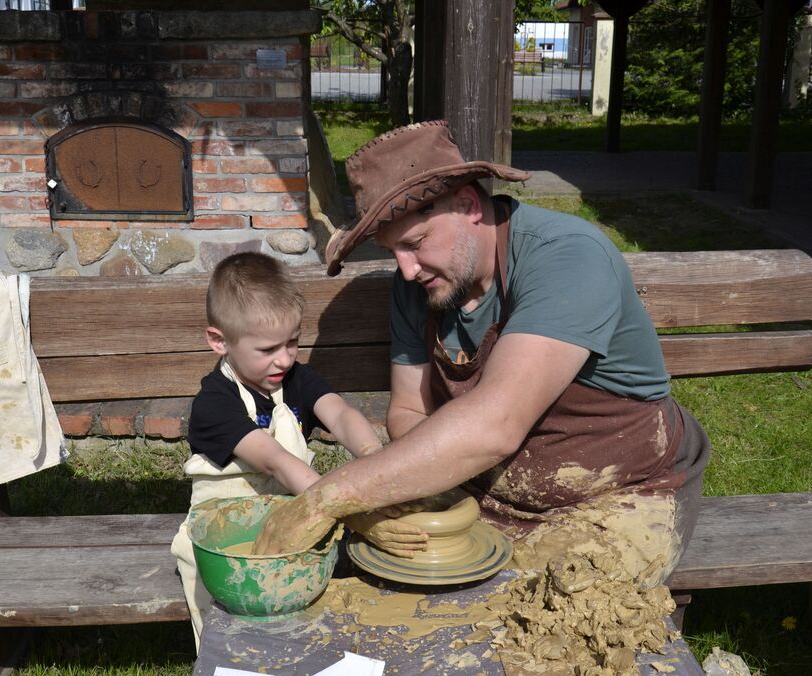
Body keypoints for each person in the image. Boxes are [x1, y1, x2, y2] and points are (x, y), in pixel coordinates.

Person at [254, 120, 710, 589]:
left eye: (414, 244)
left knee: (551, 620)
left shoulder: (568, 257)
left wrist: (327, 497)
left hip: (618, 495)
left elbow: (496, 423)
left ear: (469, 205)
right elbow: (410, 409)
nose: (406, 271)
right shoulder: (419, 285)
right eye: (393, 252)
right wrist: (426, 492)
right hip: (483, 495)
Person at [170, 252, 427, 649]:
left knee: (297, 633)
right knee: (238, 640)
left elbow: (340, 414)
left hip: (294, 517)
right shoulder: (214, 404)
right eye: (269, 349)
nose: (285, 358)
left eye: (293, 342)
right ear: (219, 341)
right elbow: (278, 462)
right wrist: (355, 513)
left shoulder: (295, 378)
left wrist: (377, 463)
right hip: (227, 541)